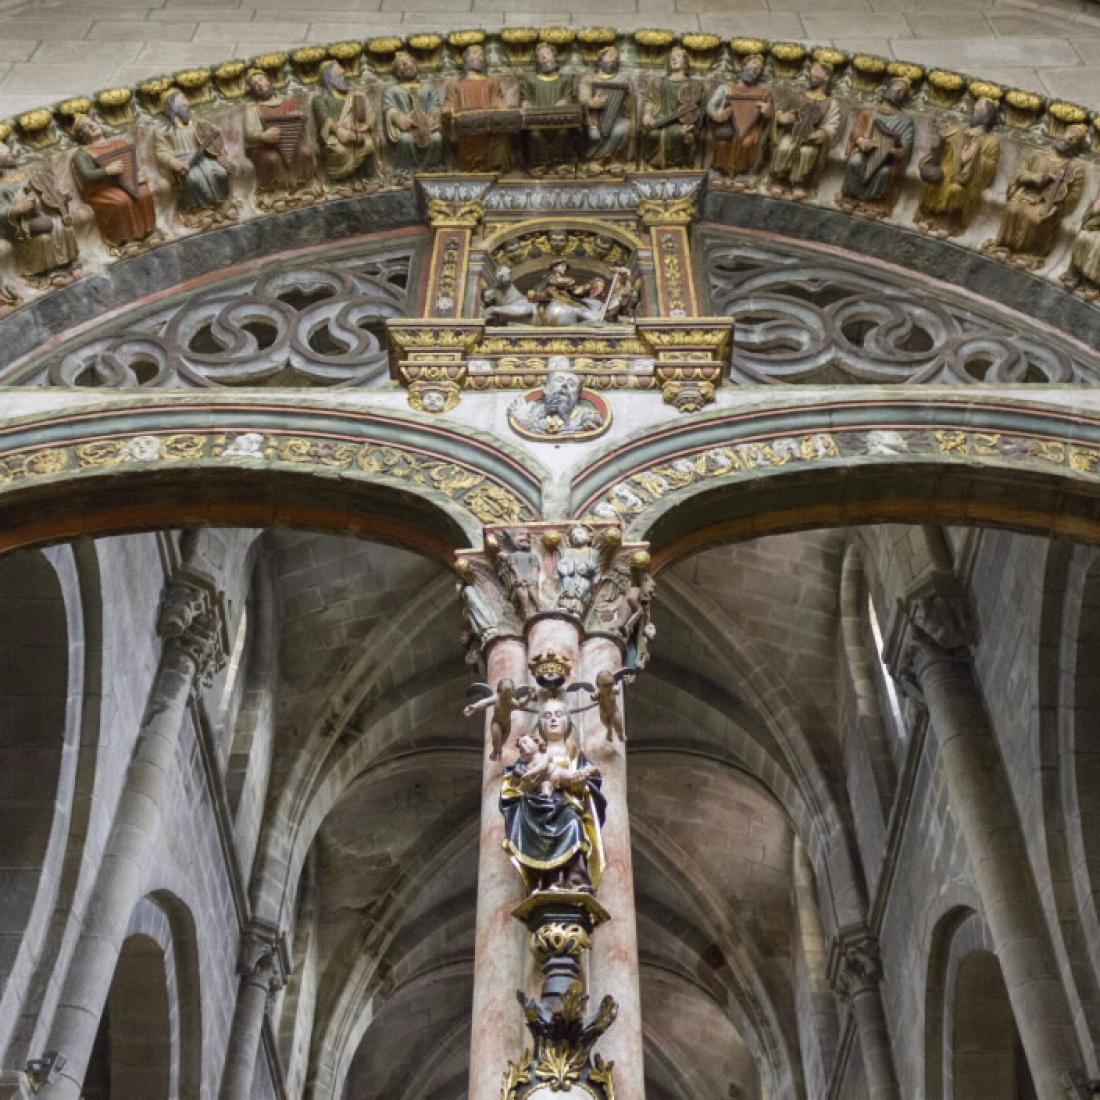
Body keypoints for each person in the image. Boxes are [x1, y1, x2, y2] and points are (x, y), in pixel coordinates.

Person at [500, 697, 606, 894]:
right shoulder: (531, 756)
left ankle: (576, 880)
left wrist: (582, 786)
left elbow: (591, 784)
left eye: (558, 715)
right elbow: (514, 782)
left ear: (567, 721)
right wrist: (524, 781)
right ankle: (546, 882)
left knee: (574, 824)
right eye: (547, 716)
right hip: (538, 808)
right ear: (540, 723)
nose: (553, 720)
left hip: (567, 806)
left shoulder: (576, 756)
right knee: (542, 838)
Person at [993, 124, 1086, 264]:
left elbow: (1073, 196)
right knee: (1013, 209)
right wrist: (1037, 177)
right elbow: (1019, 173)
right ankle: (1004, 246)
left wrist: (1057, 207)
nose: (1070, 138)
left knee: (1034, 218)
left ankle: (1027, 254)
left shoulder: (1075, 168)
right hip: (1025, 193)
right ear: (1062, 133)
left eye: (1075, 139)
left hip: (1047, 203)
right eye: (1069, 133)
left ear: (1077, 146)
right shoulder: (1037, 154)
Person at [917, 97, 1000, 236]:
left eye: (978, 111)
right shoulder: (957, 130)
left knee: (955, 189)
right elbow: (942, 149)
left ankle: (948, 223)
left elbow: (990, 167)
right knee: (936, 181)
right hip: (949, 170)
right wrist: (941, 142)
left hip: (968, 179)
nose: (974, 113)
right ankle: (928, 217)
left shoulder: (992, 142)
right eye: (974, 110)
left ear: (987, 117)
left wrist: (975, 157)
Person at [71, 114, 157, 248]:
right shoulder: (82, 154)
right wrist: (106, 171)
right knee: (121, 201)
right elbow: (87, 175)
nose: (91, 126)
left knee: (144, 193)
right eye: (85, 127)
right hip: (102, 189)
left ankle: (149, 232)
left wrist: (136, 175)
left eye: (92, 122)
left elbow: (131, 164)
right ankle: (123, 241)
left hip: (126, 182)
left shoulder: (119, 143)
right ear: (82, 135)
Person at [0, 144, 78, 280]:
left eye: (8, 148)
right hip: (18, 223)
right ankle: (42, 273)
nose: (10, 152)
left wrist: (61, 198)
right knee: (43, 238)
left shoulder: (25, 173)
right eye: (2, 150)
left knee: (63, 227)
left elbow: (45, 192)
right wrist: (17, 209)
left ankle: (67, 264)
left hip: (40, 213)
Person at [839, 78, 915, 212]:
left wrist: (896, 151)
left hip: (887, 160)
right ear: (887, 89)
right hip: (864, 152)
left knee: (884, 172)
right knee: (855, 162)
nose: (898, 92)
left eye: (902, 91)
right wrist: (861, 141)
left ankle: (873, 202)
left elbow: (906, 145)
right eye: (896, 88)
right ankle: (850, 197)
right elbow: (856, 130)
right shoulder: (868, 112)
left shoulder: (905, 121)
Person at [767, 59, 839, 198]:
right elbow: (779, 111)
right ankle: (779, 180)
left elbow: (832, 125)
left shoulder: (831, 103)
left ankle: (799, 183)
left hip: (810, 140)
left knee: (807, 152)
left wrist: (822, 133)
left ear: (827, 77)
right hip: (791, 134)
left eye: (817, 71)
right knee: (784, 147)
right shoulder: (797, 95)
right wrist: (781, 118)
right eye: (812, 71)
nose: (812, 74)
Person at [154, 90, 232, 213]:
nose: (188, 103)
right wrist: (172, 161)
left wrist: (220, 150)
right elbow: (161, 150)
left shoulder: (197, 120)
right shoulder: (162, 129)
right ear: (171, 104)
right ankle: (199, 209)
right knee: (193, 179)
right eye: (183, 100)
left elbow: (212, 134)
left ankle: (222, 202)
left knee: (221, 172)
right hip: (184, 162)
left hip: (205, 157)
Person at [243, 69, 316, 196]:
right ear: (253, 91)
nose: (260, 85)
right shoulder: (253, 109)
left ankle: (303, 186)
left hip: (293, 144)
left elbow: (301, 129)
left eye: (261, 80)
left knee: (305, 152)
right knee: (272, 159)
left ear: (269, 81)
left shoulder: (289, 103)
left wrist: (297, 121)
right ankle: (275, 192)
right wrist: (263, 136)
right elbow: (249, 133)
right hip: (265, 147)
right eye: (255, 85)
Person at [446, 44, 511, 173]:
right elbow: (450, 103)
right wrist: (449, 110)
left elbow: (497, 99)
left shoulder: (492, 81)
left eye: (481, 55)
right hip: (466, 125)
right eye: (474, 53)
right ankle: (470, 167)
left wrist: (501, 105)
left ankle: (495, 167)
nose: (479, 57)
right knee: (465, 133)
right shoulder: (456, 84)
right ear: (465, 58)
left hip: (488, 123)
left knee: (501, 131)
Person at [707, 53, 773, 179]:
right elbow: (711, 105)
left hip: (752, 128)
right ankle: (719, 169)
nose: (755, 68)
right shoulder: (726, 88)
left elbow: (769, 114)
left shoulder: (763, 93)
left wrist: (767, 111)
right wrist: (717, 115)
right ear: (744, 65)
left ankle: (742, 172)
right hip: (728, 124)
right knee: (722, 141)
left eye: (759, 68)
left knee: (747, 143)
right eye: (753, 63)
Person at [312, 59, 376, 183]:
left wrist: (366, 126)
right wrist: (338, 131)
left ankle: (368, 179)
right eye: (338, 70)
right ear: (328, 77)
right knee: (340, 151)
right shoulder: (319, 100)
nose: (343, 72)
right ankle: (337, 182)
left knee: (368, 144)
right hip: (333, 137)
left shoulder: (355, 95)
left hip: (355, 133)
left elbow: (369, 114)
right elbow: (324, 118)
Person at [382, 51, 443, 176]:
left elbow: (435, 106)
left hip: (427, 127)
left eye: (408, 61)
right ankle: (406, 171)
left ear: (414, 64)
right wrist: (398, 119)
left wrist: (432, 119)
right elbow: (389, 109)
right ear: (397, 72)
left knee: (437, 137)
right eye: (401, 64)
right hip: (407, 129)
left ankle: (431, 168)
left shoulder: (428, 88)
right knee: (406, 139)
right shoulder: (392, 91)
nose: (406, 65)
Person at [641, 46, 703, 170]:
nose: (673, 59)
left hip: (680, 122)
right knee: (652, 134)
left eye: (678, 56)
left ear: (685, 62)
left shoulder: (693, 85)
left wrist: (691, 124)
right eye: (671, 58)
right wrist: (647, 114)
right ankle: (652, 164)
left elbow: (697, 109)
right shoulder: (659, 82)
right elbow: (650, 101)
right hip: (659, 119)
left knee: (678, 134)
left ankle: (676, 165)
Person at [521, 41, 577, 173]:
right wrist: (525, 103)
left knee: (563, 133)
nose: (544, 57)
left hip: (559, 121)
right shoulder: (530, 80)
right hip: (537, 122)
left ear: (554, 56)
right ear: (537, 60)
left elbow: (569, 97)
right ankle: (539, 164)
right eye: (540, 55)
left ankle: (560, 163)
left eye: (547, 53)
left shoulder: (565, 80)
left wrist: (565, 101)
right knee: (535, 135)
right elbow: (524, 98)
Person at [578, 45, 633, 172]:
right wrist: (592, 103)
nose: (613, 59)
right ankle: (593, 160)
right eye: (610, 56)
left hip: (617, 118)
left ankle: (609, 160)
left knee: (623, 128)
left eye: (616, 58)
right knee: (593, 133)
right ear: (600, 59)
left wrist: (628, 97)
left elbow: (631, 102)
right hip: (593, 119)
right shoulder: (589, 79)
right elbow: (582, 99)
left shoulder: (624, 79)